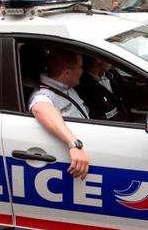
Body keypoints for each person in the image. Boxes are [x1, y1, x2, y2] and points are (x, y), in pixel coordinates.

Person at [28, 48, 90, 179]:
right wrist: (74, 144)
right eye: (80, 67)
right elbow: (41, 108)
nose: (82, 71)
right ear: (67, 73)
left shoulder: (67, 87)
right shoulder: (44, 94)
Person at [75, 56, 129, 122]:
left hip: (126, 119)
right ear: (98, 59)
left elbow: (128, 89)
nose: (112, 60)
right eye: (109, 57)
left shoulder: (112, 75)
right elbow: (99, 117)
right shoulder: (85, 88)